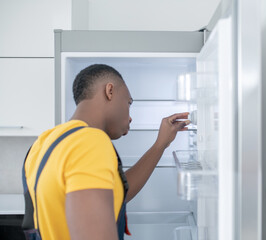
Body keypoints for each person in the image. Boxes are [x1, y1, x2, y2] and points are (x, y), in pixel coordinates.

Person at [21, 64, 190, 240]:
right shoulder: (90, 141)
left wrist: (160, 145)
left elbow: (112, 195)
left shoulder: (45, 142)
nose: (130, 115)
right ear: (110, 91)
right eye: (128, 103)